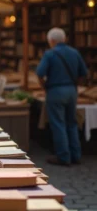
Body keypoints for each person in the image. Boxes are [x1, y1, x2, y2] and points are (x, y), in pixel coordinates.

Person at [36, 27, 88, 166]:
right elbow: (83, 73)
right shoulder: (74, 52)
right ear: (64, 39)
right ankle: (75, 155)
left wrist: (45, 86)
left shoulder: (50, 54)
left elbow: (40, 73)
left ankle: (63, 156)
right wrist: (74, 85)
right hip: (72, 90)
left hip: (55, 90)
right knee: (72, 122)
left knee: (58, 124)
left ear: (51, 41)